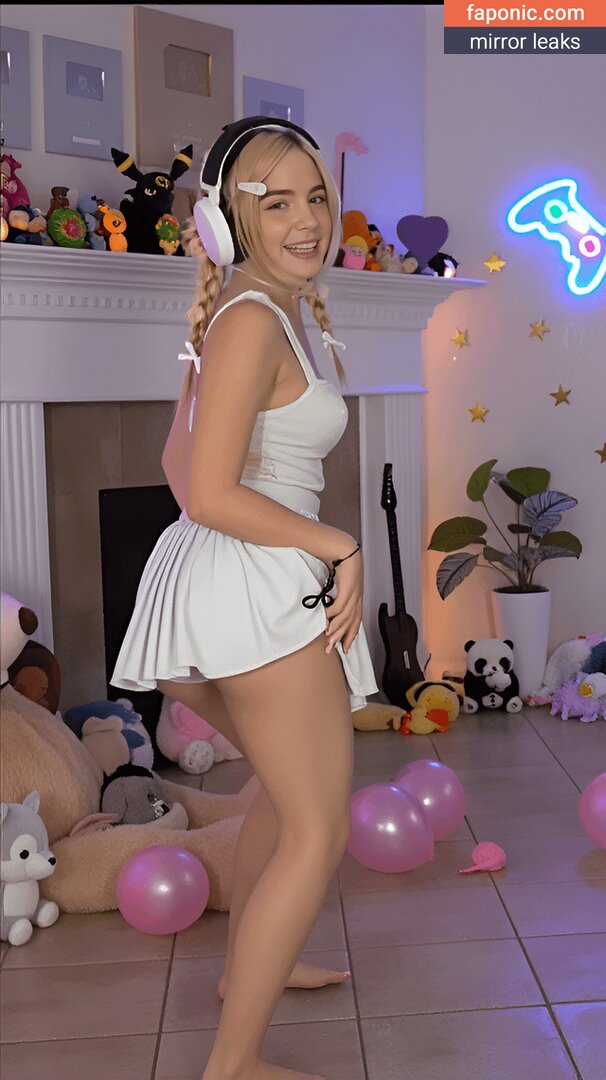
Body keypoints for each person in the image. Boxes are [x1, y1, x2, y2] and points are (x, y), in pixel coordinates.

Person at [110, 116, 379, 1080]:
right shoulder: (253, 319)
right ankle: (232, 1066)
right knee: (318, 827)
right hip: (256, 593)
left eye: (316, 198)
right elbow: (215, 493)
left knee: (282, 790)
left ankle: (248, 974)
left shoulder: (255, 310)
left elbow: (177, 464)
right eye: (277, 204)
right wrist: (336, 544)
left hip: (230, 583)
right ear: (230, 221)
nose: (307, 221)